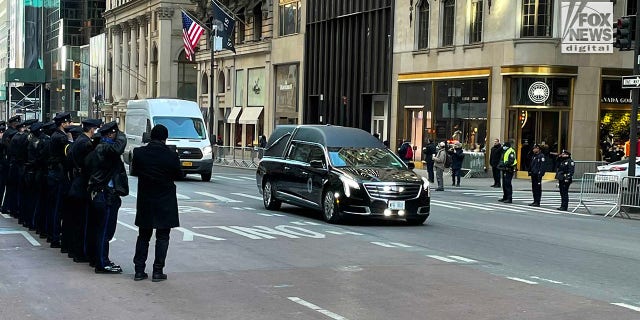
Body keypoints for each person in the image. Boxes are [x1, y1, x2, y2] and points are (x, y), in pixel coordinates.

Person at [130, 124, 182, 282]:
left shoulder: (139, 153)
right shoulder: (171, 155)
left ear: (151, 136)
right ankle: (158, 271)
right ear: (165, 138)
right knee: (163, 237)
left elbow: (135, 171)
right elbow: (179, 174)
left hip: (146, 199)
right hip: (165, 200)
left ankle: (139, 270)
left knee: (143, 236)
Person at [86, 121, 128, 274]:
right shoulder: (104, 148)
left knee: (101, 230)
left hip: (101, 193)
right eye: (116, 133)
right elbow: (118, 148)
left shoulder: (99, 146)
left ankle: (99, 259)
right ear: (111, 134)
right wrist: (121, 135)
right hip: (105, 194)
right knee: (105, 231)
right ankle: (102, 263)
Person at [66, 119, 102, 263]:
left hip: (76, 183)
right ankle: (80, 253)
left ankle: (76, 251)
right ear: (92, 130)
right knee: (82, 222)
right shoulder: (84, 143)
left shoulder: (79, 141)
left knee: (78, 221)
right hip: (81, 185)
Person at [47, 112, 73, 249]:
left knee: (54, 207)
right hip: (58, 174)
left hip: (55, 173)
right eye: (68, 122)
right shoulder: (61, 137)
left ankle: (53, 235)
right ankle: (55, 237)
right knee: (58, 208)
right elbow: (68, 155)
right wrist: (70, 141)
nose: (69, 125)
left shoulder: (55, 135)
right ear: (63, 123)